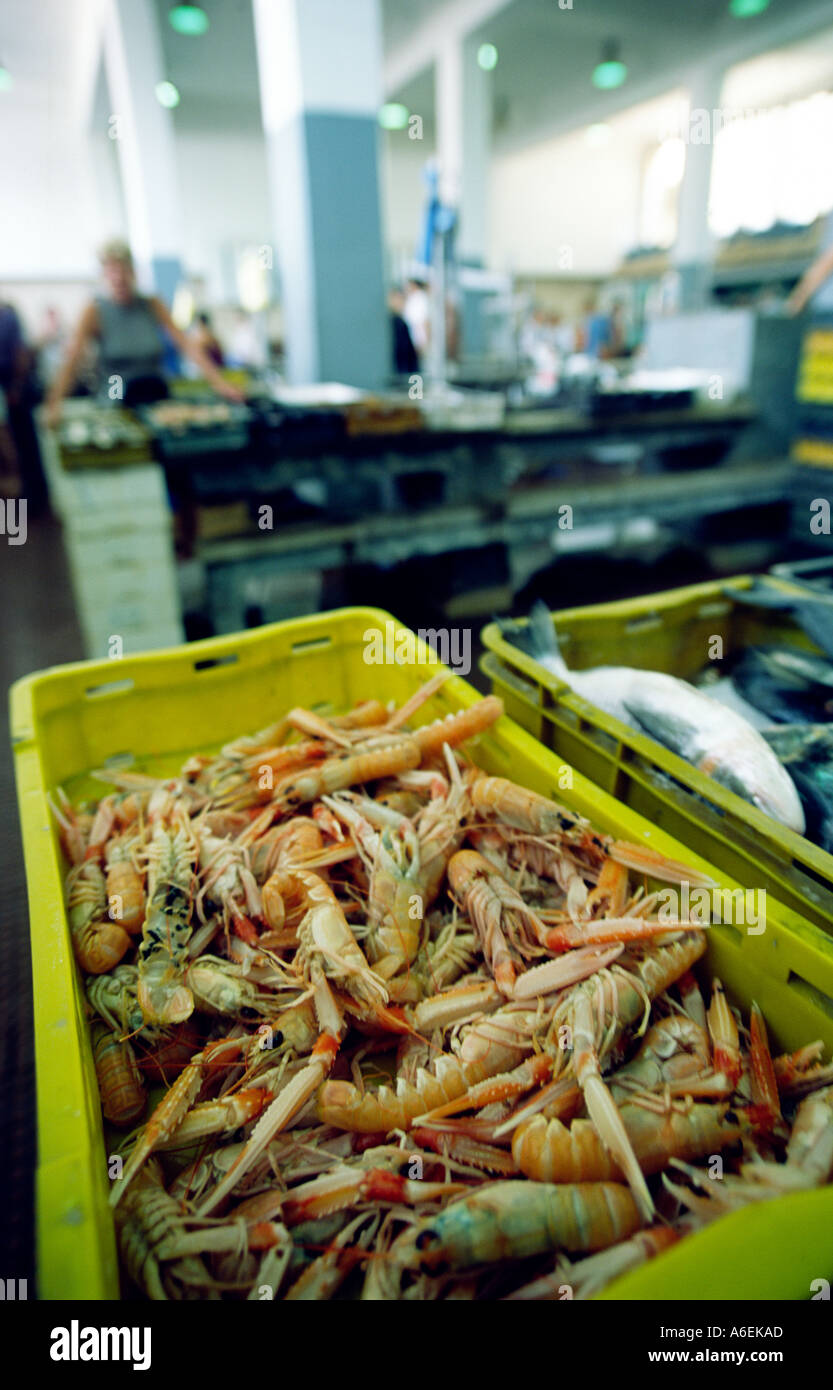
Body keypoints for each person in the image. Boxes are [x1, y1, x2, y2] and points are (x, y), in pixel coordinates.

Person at [45, 240, 243, 426]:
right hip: (116, 394)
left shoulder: (151, 304)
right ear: (104, 274)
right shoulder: (95, 311)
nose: (119, 277)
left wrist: (220, 383)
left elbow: (187, 345)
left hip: (154, 396)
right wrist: (55, 403)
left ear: (133, 271)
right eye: (113, 271)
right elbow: (73, 359)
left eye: (124, 270)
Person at [388, 287, 419, 376]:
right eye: (398, 299)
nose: (401, 303)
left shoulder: (402, 323)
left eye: (403, 300)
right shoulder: (394, 323)